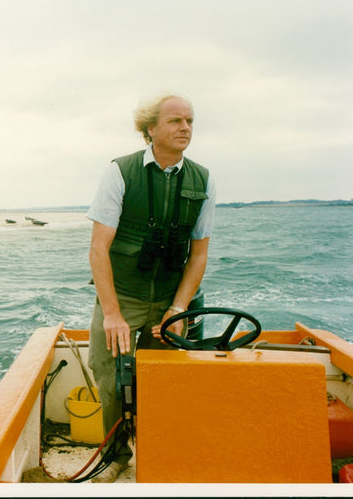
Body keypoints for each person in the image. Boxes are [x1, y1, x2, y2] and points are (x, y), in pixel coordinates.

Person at [85, 94, 216, 481]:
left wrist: (178, 311)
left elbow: (198, 256)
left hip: (171, 300)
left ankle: (163, 450)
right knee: (108, 373)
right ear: (150, 129)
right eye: (176, 121)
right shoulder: (120, 172)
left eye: (190, 121)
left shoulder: (204, 178)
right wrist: (111, 313)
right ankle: (115, 454)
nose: (186, 128)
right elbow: (98, 249)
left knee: (168, 380)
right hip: (122, 296)